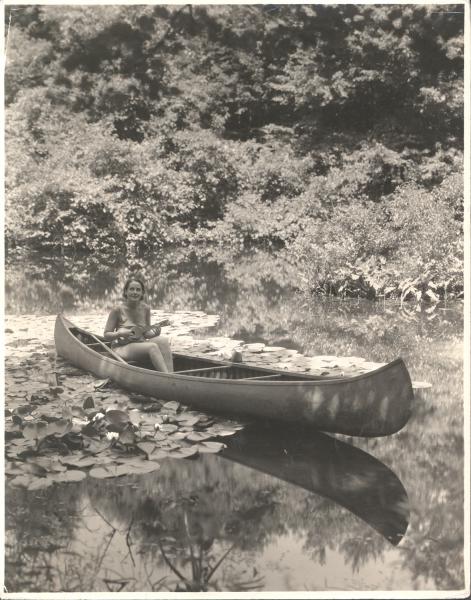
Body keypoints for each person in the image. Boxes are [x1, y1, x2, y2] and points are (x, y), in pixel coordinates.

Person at [104, 277, 173, 372]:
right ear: (126, 292)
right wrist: (119, 334)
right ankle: (167, 378)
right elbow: (106, 335)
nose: (135, 292)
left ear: (142, 293)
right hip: (121, 347)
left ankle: (171, 376)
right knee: (152, 347)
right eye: (131, 289)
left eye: (138, 290)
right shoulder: (117, 310)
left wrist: (155, 333)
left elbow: (145, 333)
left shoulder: (146, 309)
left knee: (163, 341)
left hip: (140, 344)